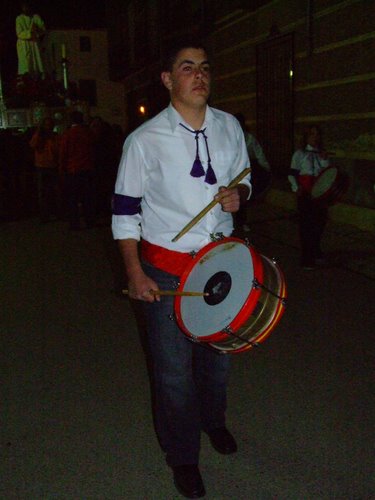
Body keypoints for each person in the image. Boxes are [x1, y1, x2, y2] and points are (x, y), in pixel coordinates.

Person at [112, 39, 251, 498]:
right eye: (187, 68)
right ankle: (183, 456)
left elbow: (244, 178)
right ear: (169, 80)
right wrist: (136, 274)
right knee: (173, 372)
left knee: (217, 362)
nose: (199, 75)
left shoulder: (230, 126)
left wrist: (240, 195)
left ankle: (213, 423)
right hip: (168, 272)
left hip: (222, 266)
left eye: (205, 67)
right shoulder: (143, 140)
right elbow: (124, 213)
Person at [288, 124, 330, 270]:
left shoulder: (321, 154)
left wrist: (324, 160)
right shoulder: (299, 154)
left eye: (317, 134)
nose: (315, 137)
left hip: (319, 193)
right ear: (307, 136)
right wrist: (296, 187)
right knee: (306, 225)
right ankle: (307, 258)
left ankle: (316, 250)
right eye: (312, 134)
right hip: (305, 192)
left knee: (320, 222)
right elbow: (292, 173)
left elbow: (327, 174)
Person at [234, 112, 271, 232]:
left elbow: (258, 153)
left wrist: (266, 167)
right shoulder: (229, 137)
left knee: (242, 198)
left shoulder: (249, 138)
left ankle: (241, 222)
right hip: (231, 172)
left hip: (245, 172)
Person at [59, 111, 95, 230]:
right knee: (87, 197)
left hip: (73, 169)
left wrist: (62, 168)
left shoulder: (68, 134)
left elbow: (63, 153)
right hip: (87, 167)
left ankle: (75, 223)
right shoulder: (87, 133)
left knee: (73, 198)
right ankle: (90, 221)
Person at [29, 117, 60, 222]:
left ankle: (55, 212)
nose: (49, 127)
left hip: (52, 166)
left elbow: (57, 149)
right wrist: (39, 133)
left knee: (54, 191)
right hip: (41, 167)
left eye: (50, 125)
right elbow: (32, 145)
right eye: (47, 125)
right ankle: (44, 214)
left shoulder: (55, 137)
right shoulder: (39, 137)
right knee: (42, 192)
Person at [16, 2, 46, 76]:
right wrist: (30, 33)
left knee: (37, 64)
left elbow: (43, 29)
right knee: (26, 66)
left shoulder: (36, 17)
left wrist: (36, 30)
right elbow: (19, 33)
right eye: (24, 7)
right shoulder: (19, 18)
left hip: (35, 44)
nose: (26, 8)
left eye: (27, 6)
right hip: (24, 46)